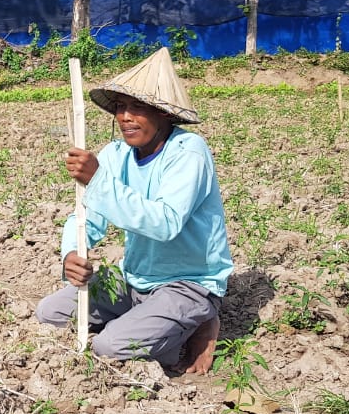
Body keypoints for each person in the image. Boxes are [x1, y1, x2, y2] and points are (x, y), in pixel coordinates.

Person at [35, 47, 232, 375]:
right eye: (121, 107)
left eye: (138, 107)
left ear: (164, 113)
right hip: (134, 278)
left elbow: (165, 223)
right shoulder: (115, 155)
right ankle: (147, 321)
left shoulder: (188, 153)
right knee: (50, 313)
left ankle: (202, 320)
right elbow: (86, 217)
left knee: (108, 347)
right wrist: (71, 252)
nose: (126, 116)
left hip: (187, 282)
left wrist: (97, 180)